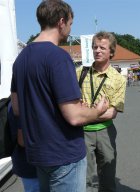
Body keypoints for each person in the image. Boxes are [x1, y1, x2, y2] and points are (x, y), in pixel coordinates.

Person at [10, 1, 108, 192]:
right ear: (61, 22)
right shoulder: (58, 57)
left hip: (38, 154)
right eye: (71, 23)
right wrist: (97, 111)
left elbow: (17, 108)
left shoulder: (21, 59)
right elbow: (74, 115)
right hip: (64, 153)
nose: (70, 29)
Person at [76, 31, 126, 192]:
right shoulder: (79, 73)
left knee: (108, 178)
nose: (97, 50)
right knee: (85, 180)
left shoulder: (118, 79)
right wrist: (97, 111)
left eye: (102, 48)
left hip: (106, 132)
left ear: (111, 51)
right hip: (81, 133)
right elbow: (72, 106)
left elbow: (112, 113)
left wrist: (85, 113)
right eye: (95, 47)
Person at [8, 103, 39, 192]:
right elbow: (23, 141)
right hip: (31, 166)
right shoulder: (22, 104)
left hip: (26, 165)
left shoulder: (13, 103)